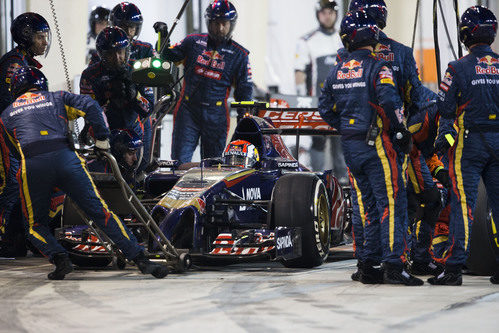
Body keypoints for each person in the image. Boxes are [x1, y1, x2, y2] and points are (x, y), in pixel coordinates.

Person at [0, 66, 167, 280]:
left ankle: (60, 258)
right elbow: (90, 104)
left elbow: (11, 154)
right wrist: (102, 138)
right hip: (67, 159)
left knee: (33, 226)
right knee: (101, 212)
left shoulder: (6, 115)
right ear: (43, 84)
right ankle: (142, 260)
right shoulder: (57, 97)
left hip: (33, 166)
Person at [319, 11, 422, 285]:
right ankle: (393, 266)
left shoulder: (336, 70)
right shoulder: (380, 67)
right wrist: (399, 130)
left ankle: (367, 264)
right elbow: (390, 101)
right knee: (390, 203)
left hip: (351, 147)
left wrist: (345, 126)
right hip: (377, 145)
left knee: (366, 207)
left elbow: (325, 108)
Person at [429, 6, 499, 286]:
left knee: (463, 206)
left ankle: (454, 269)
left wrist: (439, 145)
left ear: (465, 34)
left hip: (469, 144)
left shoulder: (456, 68)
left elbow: (444, 109)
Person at [159, 0, 253, 164]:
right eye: (216, 23)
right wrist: (163, 36)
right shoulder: (193, 41)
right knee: (179, 162)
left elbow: (244, 92)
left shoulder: (240, 55)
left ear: (232, 25)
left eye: (224, 24)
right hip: (188, 111)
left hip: (217, 116)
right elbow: (167, 56)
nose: (220, 28)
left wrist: (244, 121)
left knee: (213, 165)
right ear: (209, 22)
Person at [0, 13, 51, 256]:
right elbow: (12, 103)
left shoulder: (24, 61)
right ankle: (4, 238)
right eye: (40, 37)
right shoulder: (14, 64)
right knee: (10, 184)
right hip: (7, 134)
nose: (44, 42)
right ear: (27, 37)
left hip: (17, 133)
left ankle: (15, 238)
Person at [294, 0, 346, 179]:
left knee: (341, 147)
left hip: (342, 104)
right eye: (324, 12)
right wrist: (302, 103)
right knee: (317, 144)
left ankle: (343, 190)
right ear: (318, 14)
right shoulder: (307, 41)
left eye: (331, 12)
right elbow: (299, 73)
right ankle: (317, 182)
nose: (327, 15)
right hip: (317, 104)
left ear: (336, 13)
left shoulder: (344, 38)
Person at [80, 26, 151, 141]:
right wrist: (110, 97)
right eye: (111, 54)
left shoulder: (138, 71)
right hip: (104, 134)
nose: (117, 58)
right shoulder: (90, 75)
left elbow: (148, 110)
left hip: (134, 133)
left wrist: (134, 94)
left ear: (126, 52)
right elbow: (88, 111)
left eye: (120, 52)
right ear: (102, 54)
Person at [110, 2, 157, 173]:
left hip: (137, 111)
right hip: (112, 113)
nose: (129, 32)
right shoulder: (103, 49)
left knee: (141, 162)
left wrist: (133, 92)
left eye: (133, 27)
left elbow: (149, 93)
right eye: (124, 27)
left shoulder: (145, 49)